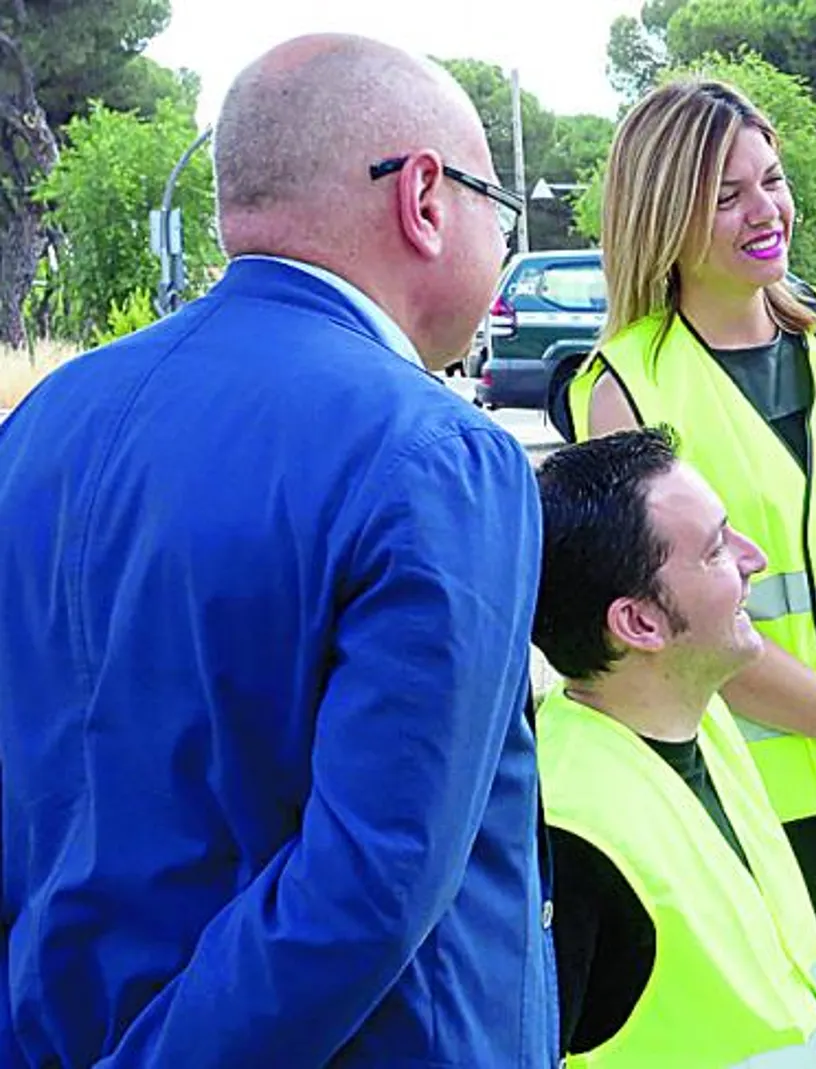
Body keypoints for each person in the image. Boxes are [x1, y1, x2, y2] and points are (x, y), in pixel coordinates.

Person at [0, 34, 556, 1067]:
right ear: (426, 198)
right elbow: (366, 890)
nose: (504, 238)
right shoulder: (434, 453)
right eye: (498, 203)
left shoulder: (44, 423)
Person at [561, 78, 816, 1067]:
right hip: (752, 783)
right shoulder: (623, 384)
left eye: (770, 182)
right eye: (726, 194)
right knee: (786, 1037)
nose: (765, 211)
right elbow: (672, 622)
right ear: (665, 212)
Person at [533, 428, 816, 1067]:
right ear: (640, 623)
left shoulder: (700, 722)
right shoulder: (570, 832)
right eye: (717, 549)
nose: (753, 558)